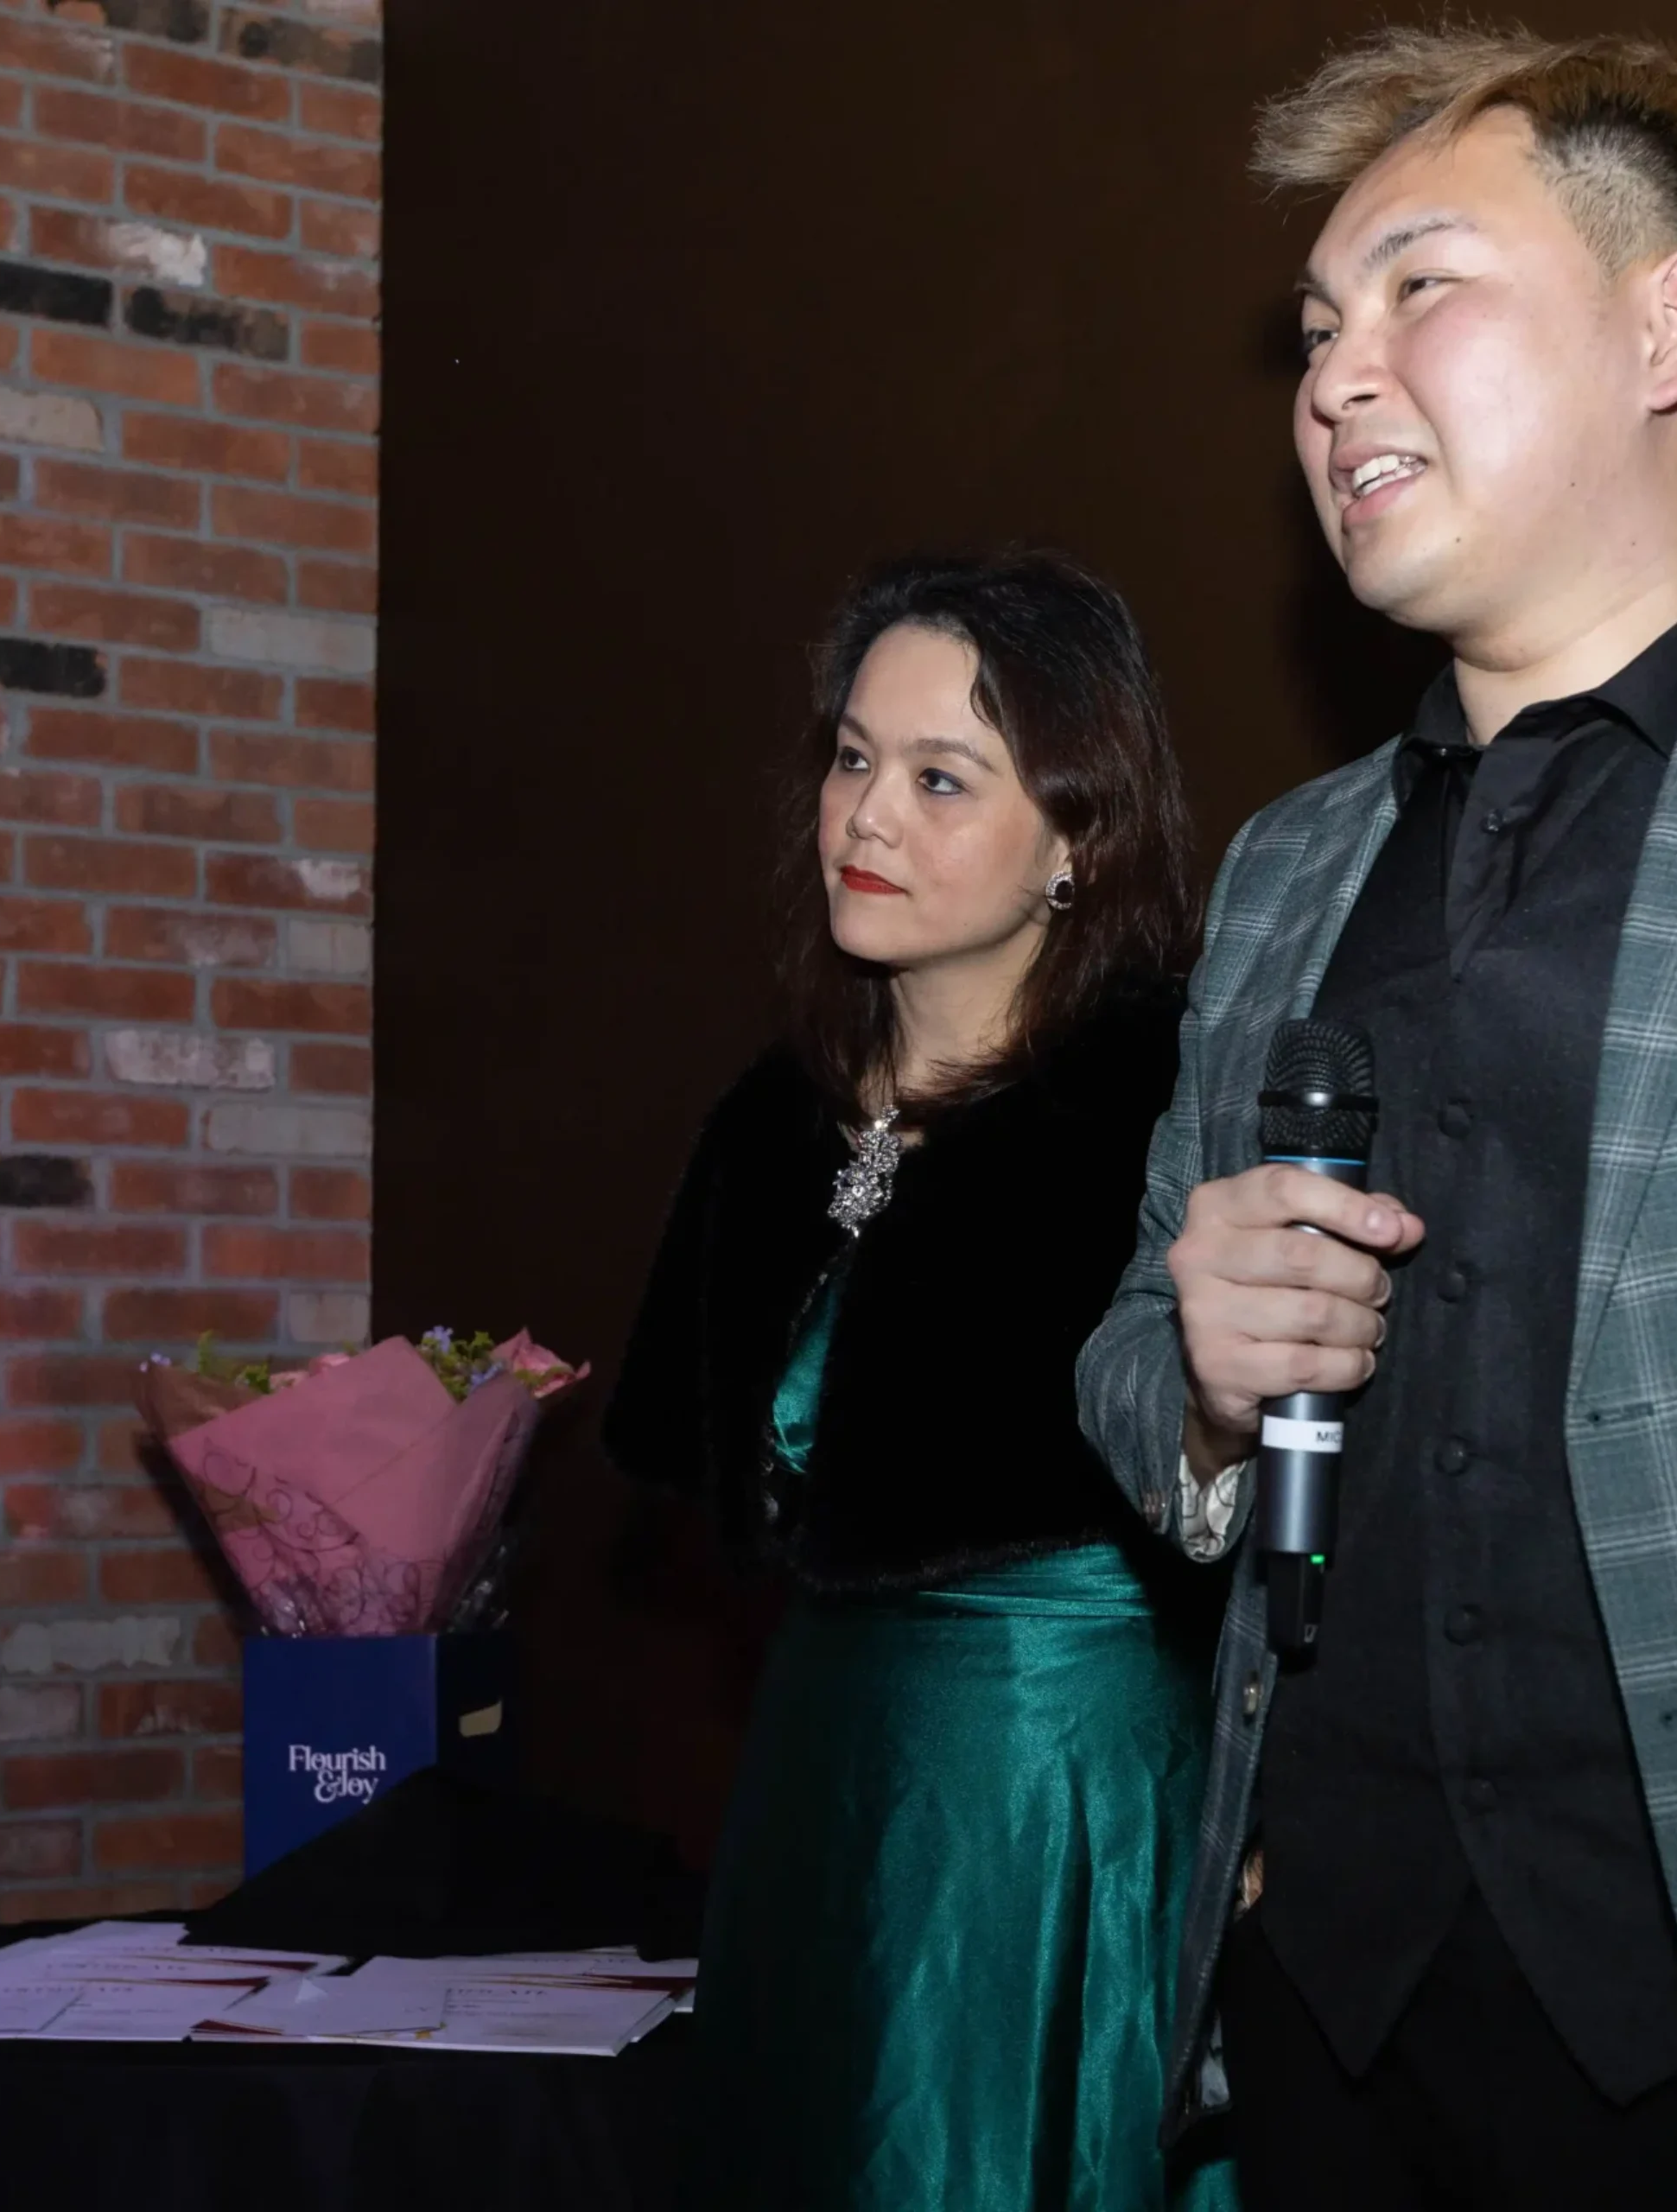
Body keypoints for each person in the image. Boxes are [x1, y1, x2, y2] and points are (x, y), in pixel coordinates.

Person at [1079, 25, 1677, 2212]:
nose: (1333, 375)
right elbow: (1127, 1348)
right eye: (1312, 328)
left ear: (1666, 326)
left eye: (1417, 286)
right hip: (1331, 2009)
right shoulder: (1288, 864)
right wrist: (1198, 1384)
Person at [605, 550, 1238, 2210]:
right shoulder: (770, 1120)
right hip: (818, 1778)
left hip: (1061, 1788)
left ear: (1078, 839)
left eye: (941, 778)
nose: (866, 817)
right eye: (851, 759)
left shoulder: (1164, 1111)